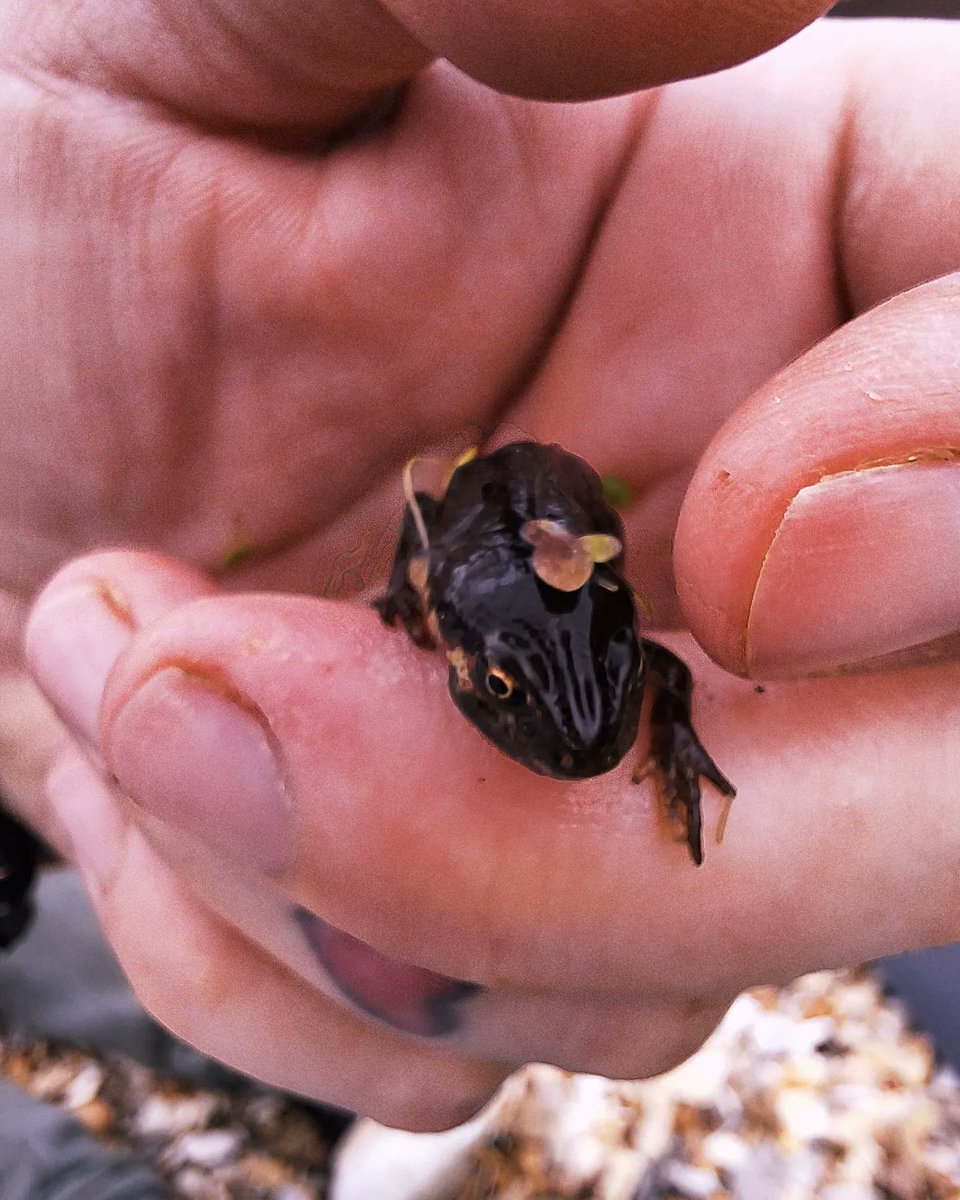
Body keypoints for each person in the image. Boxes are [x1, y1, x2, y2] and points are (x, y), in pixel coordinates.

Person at [4, 0, 960, 1133]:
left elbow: (659, 675)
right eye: (503, 689)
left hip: (547, 509)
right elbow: (461, 580)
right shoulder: (450, 584)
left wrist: (670, 731)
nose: (586, 731)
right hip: (491, 523)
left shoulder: (612, 653)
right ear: (462, 646)